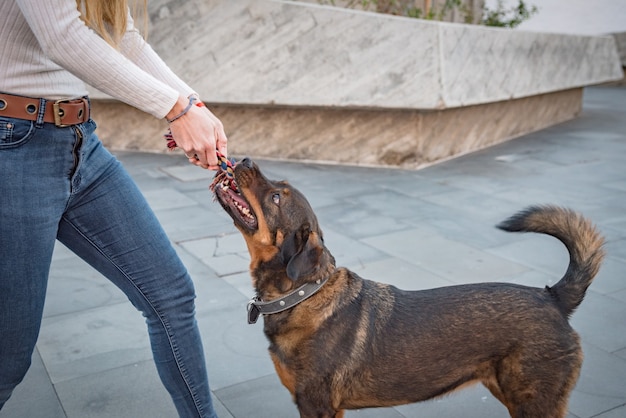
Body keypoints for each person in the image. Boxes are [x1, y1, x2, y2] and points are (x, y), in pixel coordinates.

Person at [0, 1, 227, 417]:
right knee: (8, 356)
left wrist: (193, 104)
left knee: (171, 295)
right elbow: (62, 36)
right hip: (13, 151)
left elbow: (119, 33)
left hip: (79, 144)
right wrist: (174, 109)